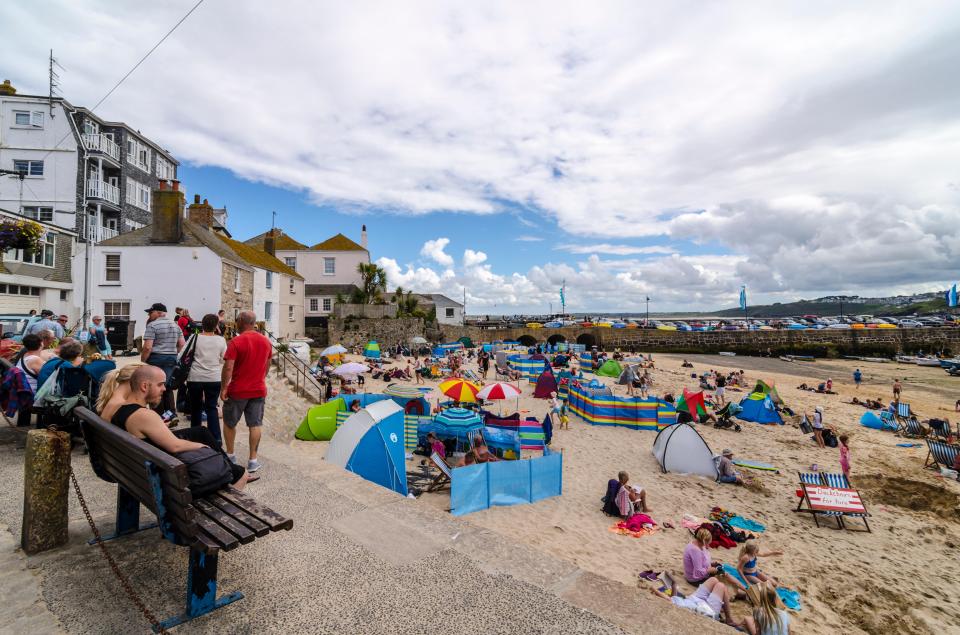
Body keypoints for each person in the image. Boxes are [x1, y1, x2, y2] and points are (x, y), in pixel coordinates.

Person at [111, 365, 253, 490]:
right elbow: (175, 447)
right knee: (242, 473)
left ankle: (227, 468)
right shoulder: (144, 415)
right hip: (171, 483)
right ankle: (228, 499)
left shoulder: (120, 409)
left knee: (200, 431)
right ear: (144, 386)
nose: (164, 389)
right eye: (160, 384)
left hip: (142, 473)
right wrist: (203, 447)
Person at [221, 310, 272, 473]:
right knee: (255, 424)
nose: (236, 322)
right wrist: (261, 378)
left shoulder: (236, 342)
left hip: (238, 390)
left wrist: (224, 387)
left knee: (230, 423)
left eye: (237, 320)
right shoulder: (266, 341)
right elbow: (268, 364)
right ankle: (253, 460)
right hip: (258, 389)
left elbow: (228, 367)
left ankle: (230, 455)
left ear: (241, 321)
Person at [187, 314, 228, 445]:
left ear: (202, 324)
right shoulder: (221, 340)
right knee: (211, 407)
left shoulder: (194, 337)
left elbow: (184, 354)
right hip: (213, 377)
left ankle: (195, 436)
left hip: (195, 376)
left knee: (195, 407)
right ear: (216, 326)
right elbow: (224, 358)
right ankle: (215, 438)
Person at [140, 302, 185, 415]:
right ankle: (171, 414)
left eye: (151, 312)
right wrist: (173, 353)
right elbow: (182, 344)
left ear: (158, 313)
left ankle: (157, 415)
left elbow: (148, 347)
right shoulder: (176, 325)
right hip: (171, 358)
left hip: (156, 358)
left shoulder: (152, 325)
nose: (149, 315)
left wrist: (143, 360)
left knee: (154, 387)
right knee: (167, 386)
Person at [651, 577, 738, 625]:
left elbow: (673, 598)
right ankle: (729, 619)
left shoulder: (675, 601)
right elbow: (669, 599)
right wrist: (654, 589)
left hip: (693, 600)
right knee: (721, 586)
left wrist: (674, 586)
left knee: (713, 580)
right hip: (706, 609)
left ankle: (721, 604)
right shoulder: (671, 602)